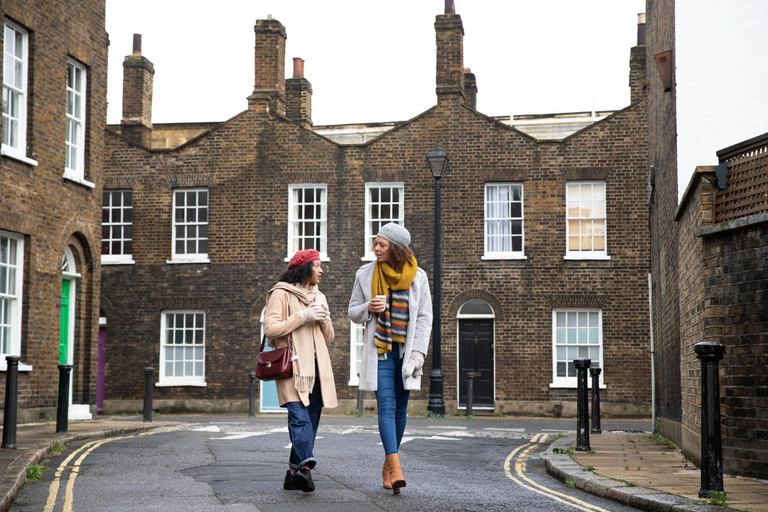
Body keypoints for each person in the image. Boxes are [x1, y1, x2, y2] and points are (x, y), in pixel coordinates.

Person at [348, 223, 432, 494]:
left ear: (395, 249)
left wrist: (418, 354)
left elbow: (423, 318)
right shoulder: (365, 274)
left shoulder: (418, 277)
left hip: (406, 353)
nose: (376, 248)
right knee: (386, 405)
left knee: (401, 410)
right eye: (375, 243)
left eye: (381, 245)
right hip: (381, 349)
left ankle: (386, 466)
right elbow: (352, 312)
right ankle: (396, 468)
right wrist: (368, 307)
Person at [264, 249, 337, 493]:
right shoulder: (281, 293)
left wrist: (324, 320)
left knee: (312, 420)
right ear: (304, 269)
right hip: (292, 367)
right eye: (317, 266)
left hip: (316, 368)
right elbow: (271, 329)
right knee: (299, 417)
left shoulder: (320, 297)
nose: (321, 270)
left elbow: (328, 338)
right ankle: (305, 467)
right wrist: (303, 316)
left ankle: (291, 472)